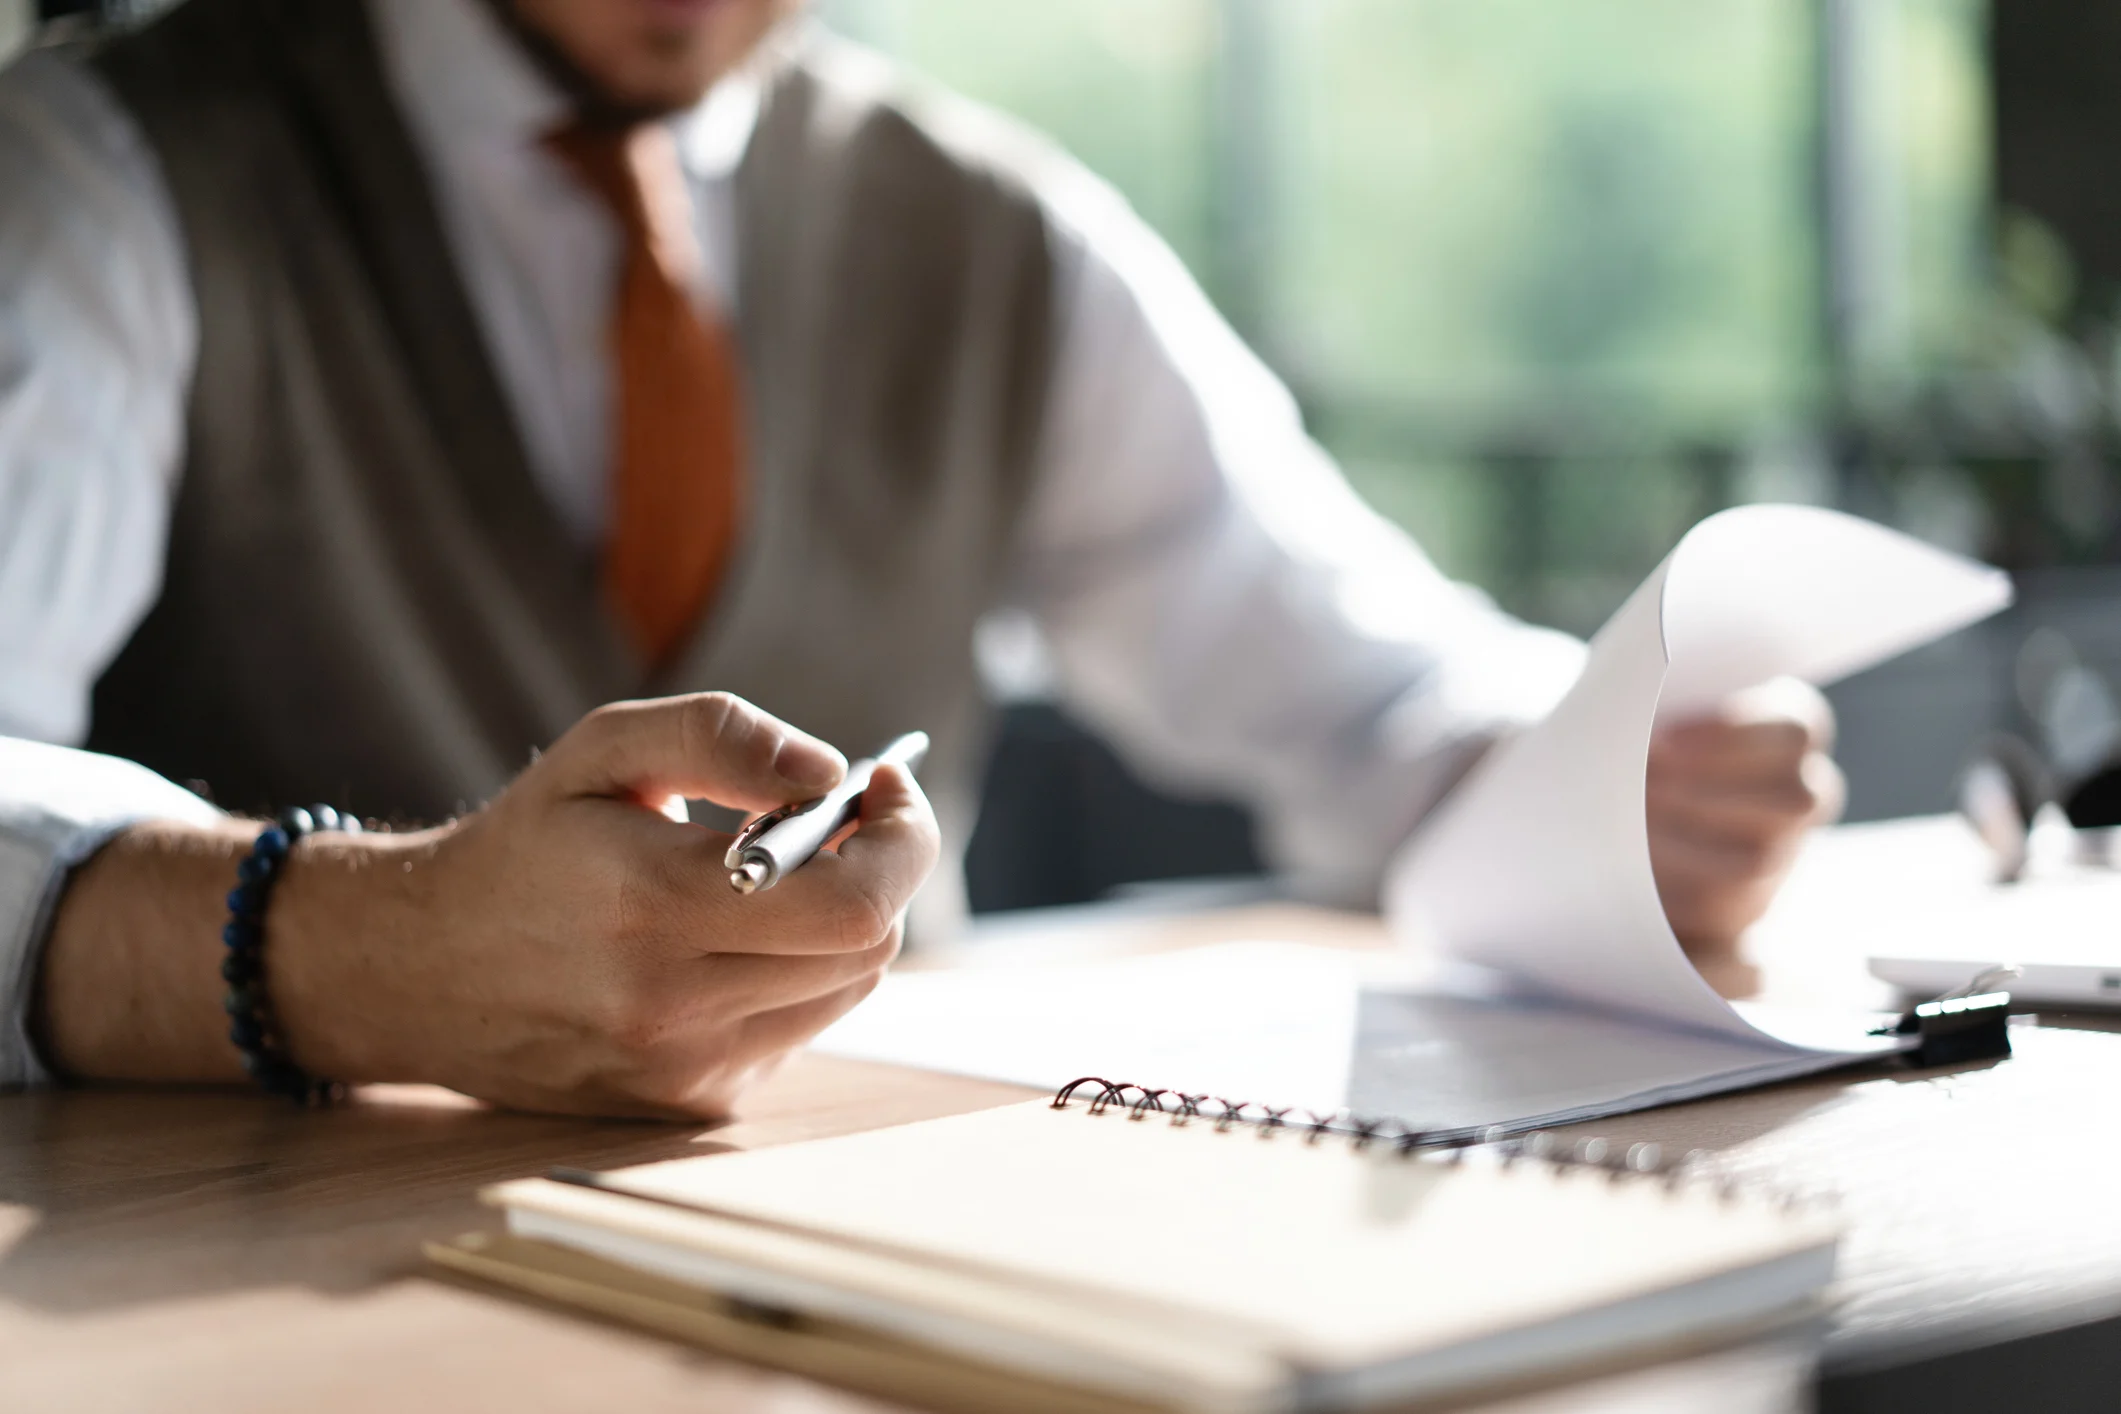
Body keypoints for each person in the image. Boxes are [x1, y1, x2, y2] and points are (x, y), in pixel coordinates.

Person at [0, 0, 1841, 1118]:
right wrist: (366, 955)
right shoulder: (102, 175)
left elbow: (1356, 680)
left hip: (876, 1285)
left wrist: (1596, 773)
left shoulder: (991, 232)